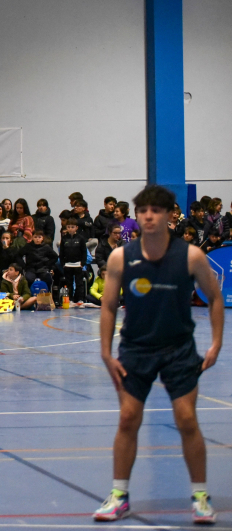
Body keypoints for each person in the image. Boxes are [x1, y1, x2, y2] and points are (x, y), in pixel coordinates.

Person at [94, 185, 224, 524]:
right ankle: (119, 496)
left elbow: (214, 298)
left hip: (178, 349)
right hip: (135, 349)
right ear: (136, 216)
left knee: (187, 419)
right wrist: (106, 353)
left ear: (169, 215)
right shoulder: (121, 257)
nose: (149, 216)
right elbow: (108, 306)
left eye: (156, 210)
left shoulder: (191, 256)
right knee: (127, 418)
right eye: (143, 211)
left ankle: (200, 497)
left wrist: (216, 343)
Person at [59, 218, 89, 303]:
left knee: (79, 283)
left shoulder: (81, 238)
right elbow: (61, 252)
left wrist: (82, 263)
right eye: (68, 227)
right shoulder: (64, 239)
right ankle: (70, 299)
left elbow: (84, 252)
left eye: (72, 227)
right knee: (69, 283)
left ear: (76, 227)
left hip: (78, 264)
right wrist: (63, 263)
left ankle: (80, 299)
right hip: (67, 265)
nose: (70, 229)